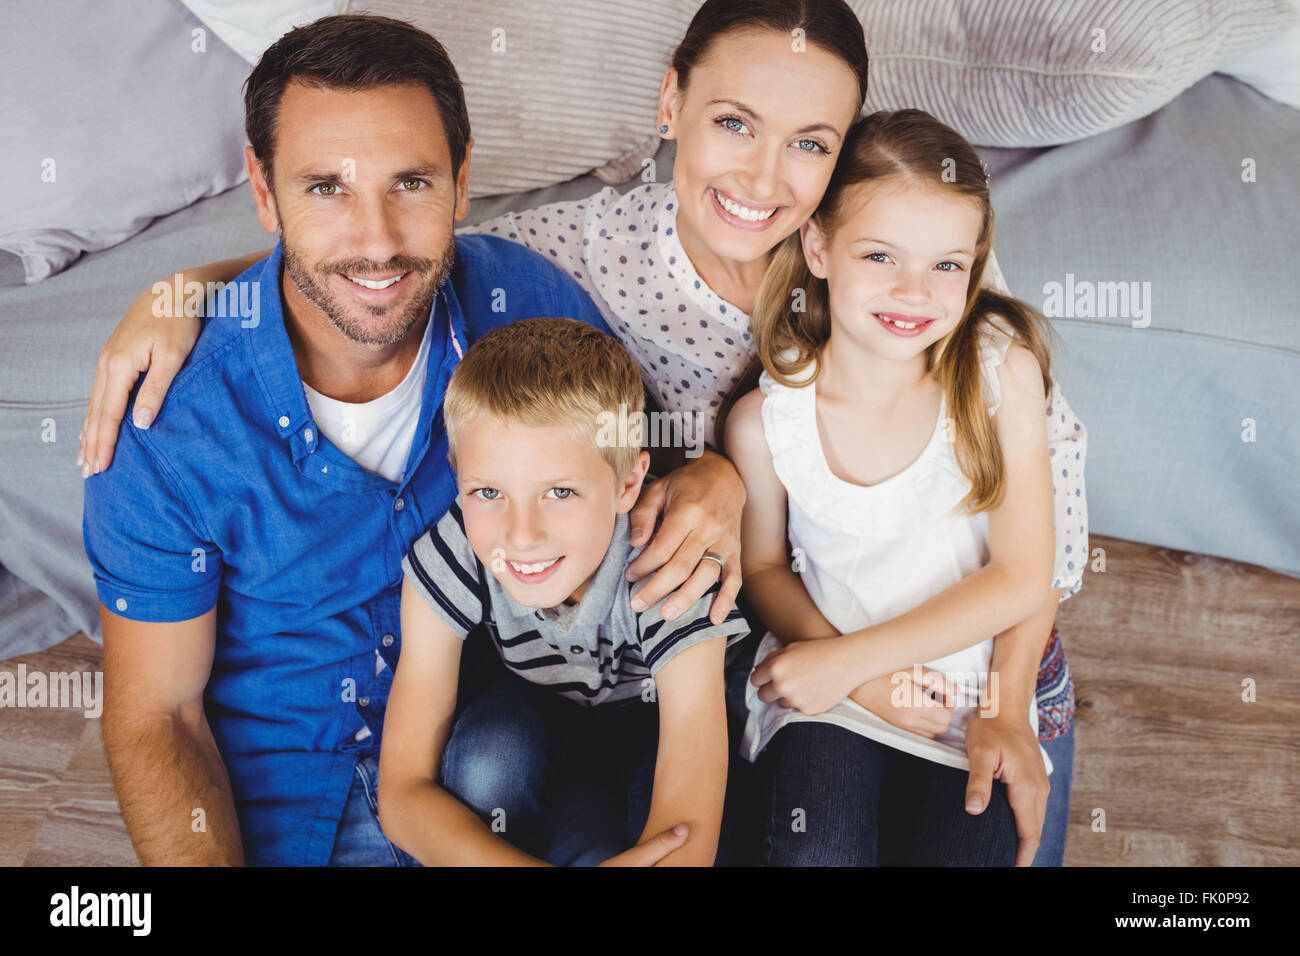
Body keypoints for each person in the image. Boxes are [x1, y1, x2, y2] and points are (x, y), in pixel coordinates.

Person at [78, 0, 1083, 864]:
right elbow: (373, 263)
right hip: (649, 667)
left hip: (913, 651)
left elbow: (1040, 556)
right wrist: (185, 288)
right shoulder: (567, 269)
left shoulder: (907, 278)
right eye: (733, 121)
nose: (764, 176)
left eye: (810, 142)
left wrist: (959, 684)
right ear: (670, 104)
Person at [83, 14, 734, 867]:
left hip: (489, 780)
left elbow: (638, 475)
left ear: (462, 183)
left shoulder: (525, 308)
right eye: (326, 188)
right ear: (263, 190)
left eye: (412, 183)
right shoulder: (166, 419)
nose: (378, 239)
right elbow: (157, 718)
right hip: (288, 813)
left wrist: (720, 474)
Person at [724, 109, 1083, 865]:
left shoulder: (998, 374)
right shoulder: (768, 420)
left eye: (947, 266)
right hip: (835, 696)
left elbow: (1024, 573)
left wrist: (1001, 708)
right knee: (816, 849)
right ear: (818, 246)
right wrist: (859, 677)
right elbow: (763, 571)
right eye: (881, 256)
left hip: (975, 702)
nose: (914, 292)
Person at [380, 318, 750, 865]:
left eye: (559, 491)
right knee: (489, 761)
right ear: (456, 473)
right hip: (539, 716)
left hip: (654, 724)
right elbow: (403, 795)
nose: (521, 535)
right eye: (487, 491)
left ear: (628, 485)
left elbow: (685, 834)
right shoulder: (455, 551)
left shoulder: (669, 563)